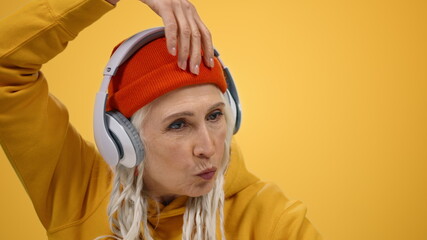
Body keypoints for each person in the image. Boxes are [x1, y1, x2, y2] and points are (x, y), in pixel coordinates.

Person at [0, 0, 322, 239]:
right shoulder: (76, 189)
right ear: (125, 140)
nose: (208, 147)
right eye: (178, 124)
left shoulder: (273, 221)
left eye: (214, 115)